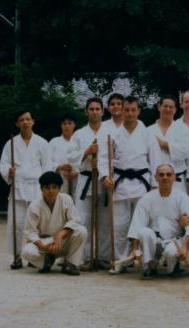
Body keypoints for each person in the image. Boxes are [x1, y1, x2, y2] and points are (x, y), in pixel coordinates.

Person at [99, 96, 161, 273]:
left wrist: (154, 185)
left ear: (138, 111)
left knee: (143, 226)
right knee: (120, 225)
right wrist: (105, 176)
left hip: (141, 184)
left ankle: (146, 261)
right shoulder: (113, 134)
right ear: (122, 111)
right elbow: (104, 158)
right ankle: (120, 261)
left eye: (133, 110)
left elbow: (155, 161)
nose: (130, 113)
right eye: (127, 110)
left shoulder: (148, 133)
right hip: (120, 184)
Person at [0, 110, 51, 269]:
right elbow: (4, 163)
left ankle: (34, 256)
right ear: (17, 123)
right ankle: (16, 256)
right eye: (21, 120)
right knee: (16, 223)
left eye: (28, 119)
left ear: (33, 121)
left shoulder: (42, 142)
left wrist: (46, 187)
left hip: (36, 188)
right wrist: (9, 171)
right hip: (18, 187)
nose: (25, 122)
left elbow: (48, 165)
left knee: (36, 224)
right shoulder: (11, 143)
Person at [127, 164, 189, 279]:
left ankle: (174, 266)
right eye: (161, 175)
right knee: (144, 231)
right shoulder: (147, 198)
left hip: (174, 241)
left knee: (171, 253)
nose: (165, 177)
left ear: (174, 177)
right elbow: (137, 223)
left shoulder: (182, 197)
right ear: (156, 178)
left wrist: (185, 247)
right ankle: (149, 266)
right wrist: (135, 249)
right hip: (154, 242)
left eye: (168, 174)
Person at [67, 97, 111, 270]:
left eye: (97, 109)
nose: (94, 112)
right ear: (86, 111)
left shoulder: (109, 132)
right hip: (85, 179)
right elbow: (71, 157)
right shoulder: (79, 134)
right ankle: (83, 257)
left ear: (102, 111)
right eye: (91, 109)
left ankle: (104, 257)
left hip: (103, 180)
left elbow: (115, 156)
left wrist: (101, 164)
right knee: (82, 220)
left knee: (105, 221)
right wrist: (87, 152)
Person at [21, 171, 87, 275]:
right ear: (41, 189)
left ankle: (70, 264)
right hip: (44, 242)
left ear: (59, 188)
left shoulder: (66, 199)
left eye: (54, 187)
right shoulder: (34, 206)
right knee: (26, 251)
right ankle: (46, 261)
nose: (51, 191)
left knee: (81, 231)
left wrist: (60, 235)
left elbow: (75, 220)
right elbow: (30, 232)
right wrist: (43, 246)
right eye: (47, 188)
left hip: (61, 241)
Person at [148, 95, 189, 191]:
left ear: (175, 110)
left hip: (177, 181)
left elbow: (186, 152)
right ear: (159, 107)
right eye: (165, 106)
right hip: (155, 181)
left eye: (171, 107)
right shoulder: (149, 130)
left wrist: (164, 144)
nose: (168, 109)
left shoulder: (183, 129)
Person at [49, 113, 78, 197]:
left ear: (74, 125)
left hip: (76, 180)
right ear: (61, 125)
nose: (67, 126)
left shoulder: (79, 141)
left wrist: (76, 172)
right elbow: (47, 162)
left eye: (69, 123)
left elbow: (84, 161)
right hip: (59, 180)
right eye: (64, 124)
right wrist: (59, 166)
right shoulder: (53, 142)